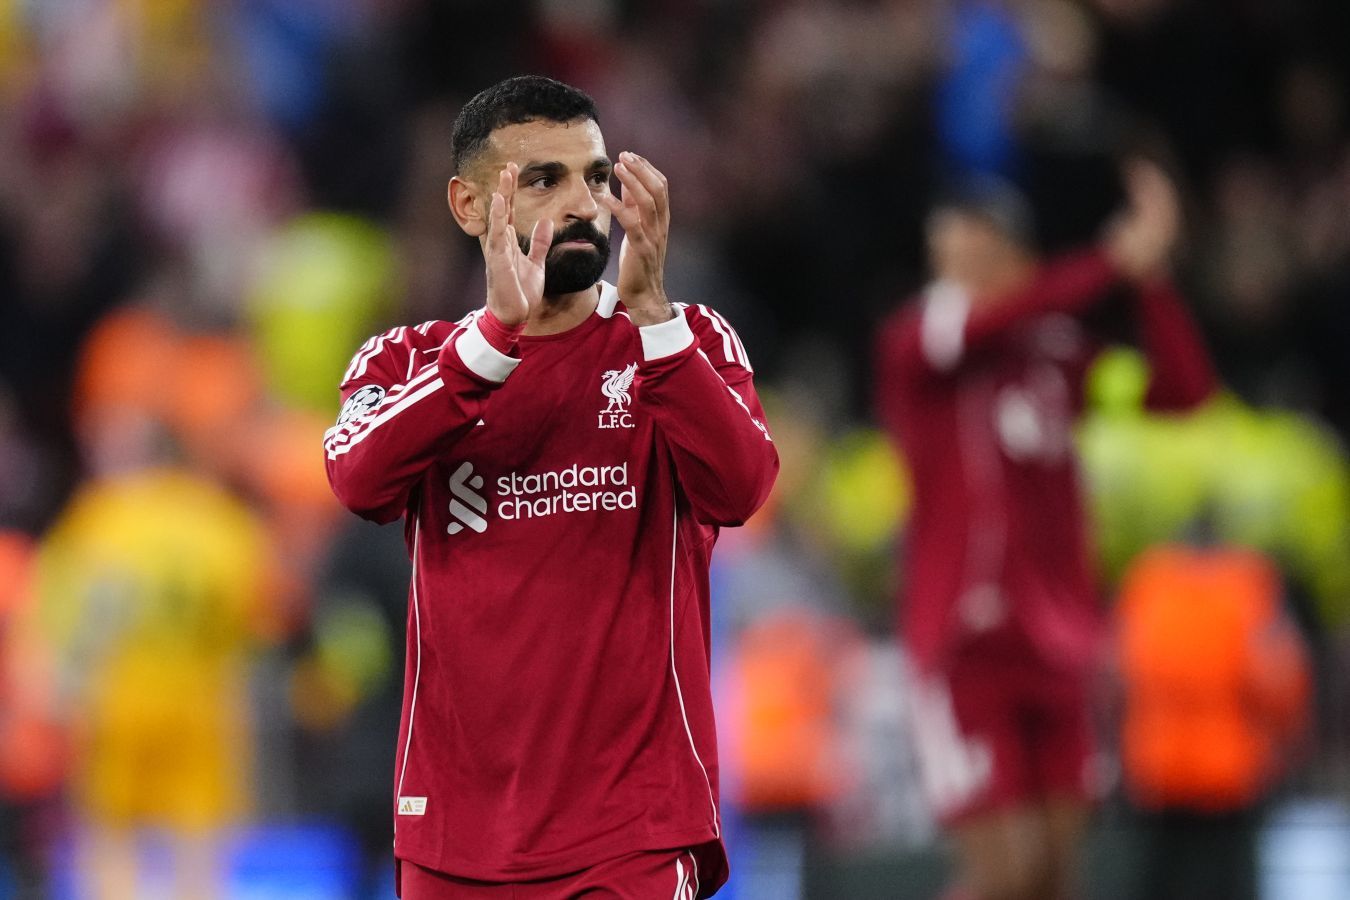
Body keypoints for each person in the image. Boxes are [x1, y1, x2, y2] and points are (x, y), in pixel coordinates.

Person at [323, 76, 778, 899]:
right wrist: (490, 345)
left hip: (633, 828)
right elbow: (357, 478)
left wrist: (654, 317)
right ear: (468, 206)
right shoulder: (405, 360)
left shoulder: (688, 340)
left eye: (596, 177)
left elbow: (742, 489)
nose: (583, 203)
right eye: (544, 180)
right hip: (454, 834)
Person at [874, 161, 1217, 900]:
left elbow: (1183, 392)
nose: (962, 265)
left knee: (1056, 879)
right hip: (963, 643)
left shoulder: (1060, 354)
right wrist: (1111, 261)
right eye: (950, 249)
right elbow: (984, 326)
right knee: (1005, 875)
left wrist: (1149, 281)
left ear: (1019, 260)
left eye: (980, 246)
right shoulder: (921, 338)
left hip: (1058, 640)